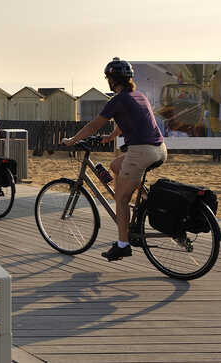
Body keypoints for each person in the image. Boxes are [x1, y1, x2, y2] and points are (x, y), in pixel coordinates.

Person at [61, 58, 167, 262]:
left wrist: (73, 140)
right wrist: (111, 137)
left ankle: (122, 245)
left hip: (141, 152)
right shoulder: (138, 96)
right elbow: (127, 120)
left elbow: (94, 125)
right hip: (159, 150)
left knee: (120, 199)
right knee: (115, 165)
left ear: (111, 80)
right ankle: (144, 199)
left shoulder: (117, 100)